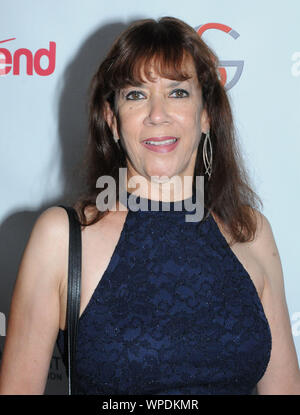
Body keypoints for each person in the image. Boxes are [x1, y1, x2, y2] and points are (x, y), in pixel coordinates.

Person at [0, 16, 299, 395]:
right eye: (136, 94)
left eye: (177, 92)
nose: (158, 115)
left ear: (206, 114)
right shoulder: (62, 238)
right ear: (112, 119)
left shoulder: (251, 232)